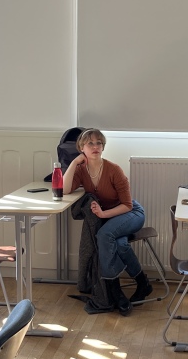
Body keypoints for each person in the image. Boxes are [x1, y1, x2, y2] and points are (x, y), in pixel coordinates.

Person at [63, 128, 152, 314]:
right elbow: (64, 189)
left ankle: (115, 292)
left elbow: (127, 205)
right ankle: (141, 284)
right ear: (81, 148)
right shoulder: (81, 170)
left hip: (130, 214)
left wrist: (103, 215)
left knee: (104, 234)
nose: (95, 146)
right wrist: (74, 162)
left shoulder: (114, 170)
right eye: (90, 143)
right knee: (120, 244)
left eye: (99, 143)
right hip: (112, 217)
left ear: (103, 147)